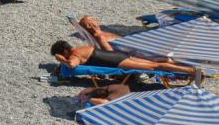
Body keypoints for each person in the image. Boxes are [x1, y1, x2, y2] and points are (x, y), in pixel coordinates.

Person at [50, 39, 196, 76]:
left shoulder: (74, 55)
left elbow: (72, 65)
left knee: (155, 66)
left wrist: (62, 60)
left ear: (64, 51)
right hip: (116, 55)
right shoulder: (80, 48)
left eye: (61, 54)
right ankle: (188, 63)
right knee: (155, 62)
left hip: (117, 62)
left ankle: (190, 71)